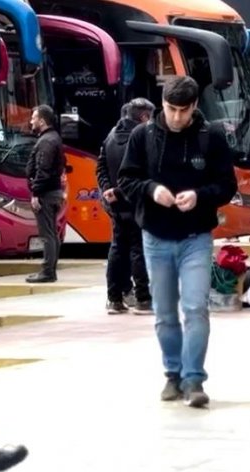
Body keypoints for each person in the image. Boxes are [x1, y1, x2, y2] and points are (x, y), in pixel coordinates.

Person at [118, 76, 237, 408]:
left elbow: (227, 185)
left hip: (195, 237)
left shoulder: (210, 136)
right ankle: (173, 374)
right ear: (162, 103)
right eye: (171, 109)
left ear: (195, 106)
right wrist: (152, 190)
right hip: (155, 237)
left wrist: (199, 196)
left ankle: (194, 379)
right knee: (165, 313)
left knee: (196, 308)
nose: (176, 117)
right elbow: (127, 179)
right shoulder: (143, 136)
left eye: (183, 111)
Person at [97, 98, 155, 314]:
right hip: (136, 201)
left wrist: (107, 190)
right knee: (138, 250)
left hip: (114, 205)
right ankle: (143, 299)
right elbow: (144, 172)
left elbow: (100, 167)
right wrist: (120, 192)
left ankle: (114, 299)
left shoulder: (110, 136)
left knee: (117, 249)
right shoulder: (142, 138)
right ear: (144, 116)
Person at [25, 105, 66, 284]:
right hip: (53, 192)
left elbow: (43, 170)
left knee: (47, 233)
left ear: (42, 121)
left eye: (34, 118)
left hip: (46, 194)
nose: (31, 121)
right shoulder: (52, 139)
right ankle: (49, 270)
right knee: (51, 233)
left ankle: (48, 272)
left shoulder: (47, 142)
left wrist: (36, 193)